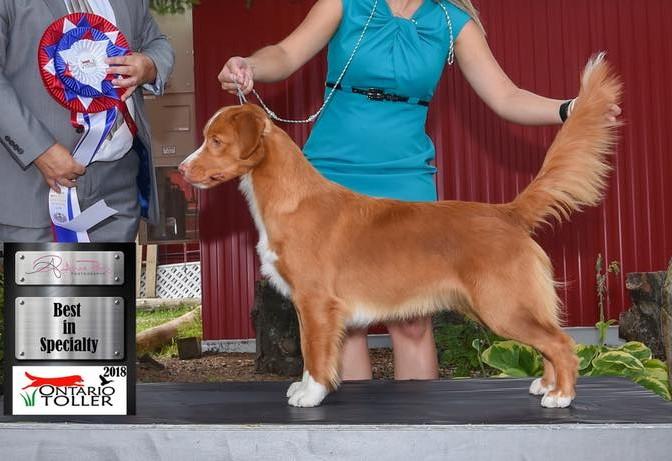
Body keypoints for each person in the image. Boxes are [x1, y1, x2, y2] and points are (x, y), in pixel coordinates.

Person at [217, 0, 621, 381]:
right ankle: (354, 435)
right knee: (340, 317)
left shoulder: (450, 21)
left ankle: (418, 433)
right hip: (331, 175)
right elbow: (286, 55)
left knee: (411, 321)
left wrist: (570, 108)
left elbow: (506, 96)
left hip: (404, 176)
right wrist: (249, 65)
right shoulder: (346, 3)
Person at [0, 0, 174, 243]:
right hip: (34, 188)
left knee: (111, 282)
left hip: (117, 191)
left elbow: (156, 42)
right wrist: (40, 150)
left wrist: (150, 64)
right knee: (44, 282)